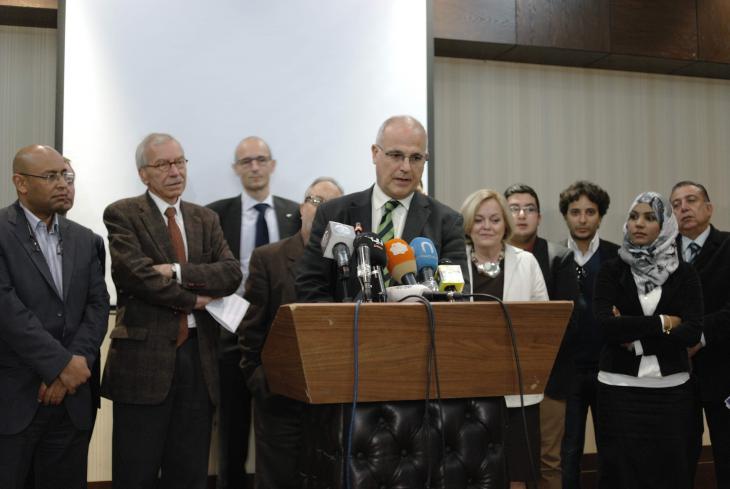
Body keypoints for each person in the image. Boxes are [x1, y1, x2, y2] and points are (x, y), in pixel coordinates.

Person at [102, 133, 242, 489]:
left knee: (190, 471)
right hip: (143, 361)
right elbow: (136, 276)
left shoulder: (204, 218)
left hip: (199, 358)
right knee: (136, 471)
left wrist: (178, 272)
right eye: (163, 164)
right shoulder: (123, 213)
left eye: (180, 162)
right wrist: (193, 300)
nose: (175, 171)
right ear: (143, 173)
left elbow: (229, 274)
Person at [0, 145, 109, 489]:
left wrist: (72, 368)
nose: (63, 184)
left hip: (73, 400)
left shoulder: (87, 240)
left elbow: (97, 305)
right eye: (51, 176)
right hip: (16, 396)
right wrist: (59, 365)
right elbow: (7, 310)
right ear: (21, 183)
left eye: (67, 175)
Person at [207, 136, 301, 489]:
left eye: (261, 159)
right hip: (230, 332)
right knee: (231, 427)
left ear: (273, 165)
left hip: (281, 337)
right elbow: (208, 272)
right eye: (246, 162)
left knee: (281, 430)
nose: (255, 167)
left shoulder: (295, 214)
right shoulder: (216, 214)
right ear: (236, 170)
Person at [239, 177, 344, 489]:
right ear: (302, 208)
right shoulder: (268, 258)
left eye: (333, 206)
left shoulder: (347, 263)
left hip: (332, 404)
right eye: (317, 202)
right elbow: (251, 331)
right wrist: (261, 382)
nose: (324, 211)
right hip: (280, 401)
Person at [593, 191, 703, 489]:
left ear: (665, 226)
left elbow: (692, 331)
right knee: (619, 474)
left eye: (650, 217)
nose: (638, 224)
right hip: (618, 390)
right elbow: (605, 326)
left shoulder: (685, 273)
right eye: (633, 216)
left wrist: (635, 337)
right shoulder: (611, 270)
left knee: (672, 472)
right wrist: (664, 322)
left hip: (672, 392)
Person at [296, 115, 468, 301]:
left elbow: (457, 297)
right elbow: (310, 286)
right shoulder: (334, 214)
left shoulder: (446, 223)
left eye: (416, 158)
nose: (406, 167)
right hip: (347, 327)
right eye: (396, 155)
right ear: (375, 153)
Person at [461, 189, 548, 489]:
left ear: (505, 225)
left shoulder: (527, 262)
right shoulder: (452, 264)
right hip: (466, 389)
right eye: (479, 219)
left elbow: (542, 326)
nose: (486, 226)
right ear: (468, 225)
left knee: (516, 475)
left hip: (517, 387)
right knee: (470, 471)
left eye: (495, 219)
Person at [504, 184, 578, 489]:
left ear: (539, 217)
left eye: (529, 208)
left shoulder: (557, 256)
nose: (522, 215)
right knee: (508, 463)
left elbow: (566, 322)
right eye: (514, 208)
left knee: (549, 461)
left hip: (549, 378)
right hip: (502, 379)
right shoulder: (489, 255)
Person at [558, 181, 618, 489]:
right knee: (568, 450)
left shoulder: (618, 257)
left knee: (611, 449)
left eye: (590, 212)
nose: (582, 219)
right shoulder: (554, 257)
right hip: (567, 371)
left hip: (610, 368)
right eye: (575, 212)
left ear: (601, 215)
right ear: (565, 216)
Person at [670, 181, 730, 488]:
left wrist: (699, 335)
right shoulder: (662, 255)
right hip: (678, 372)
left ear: (708, 208)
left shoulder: (728, 246)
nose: (684, 208)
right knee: (678, 454)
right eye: (677, 204)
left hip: (723, 368)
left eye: (691, 200)